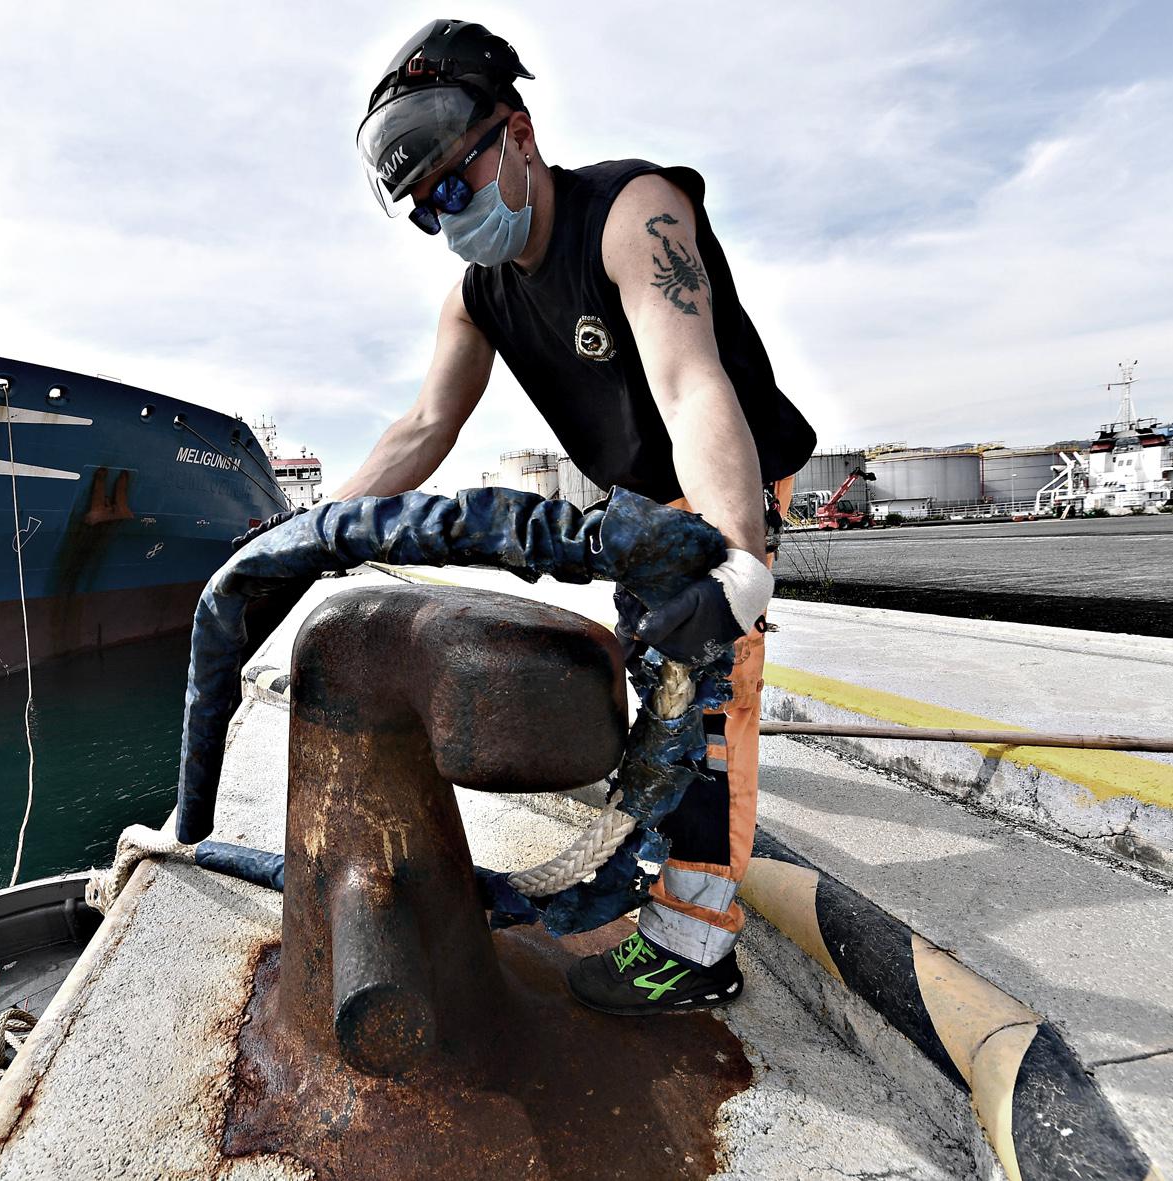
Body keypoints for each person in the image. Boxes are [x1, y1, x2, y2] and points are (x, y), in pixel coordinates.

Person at [343, 19, 818, 1014]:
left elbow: (690, 386)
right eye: (424, 211)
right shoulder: (476, 300)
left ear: (515, 134)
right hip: (640, 501)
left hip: (721, 474)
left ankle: (694, 949)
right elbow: (425, 423)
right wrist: (314, 529)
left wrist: (734, 558)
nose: (447, 217)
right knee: (659, 683)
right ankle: (677, 817)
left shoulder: (631, 212)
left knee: (705, 703)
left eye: (452, 186)